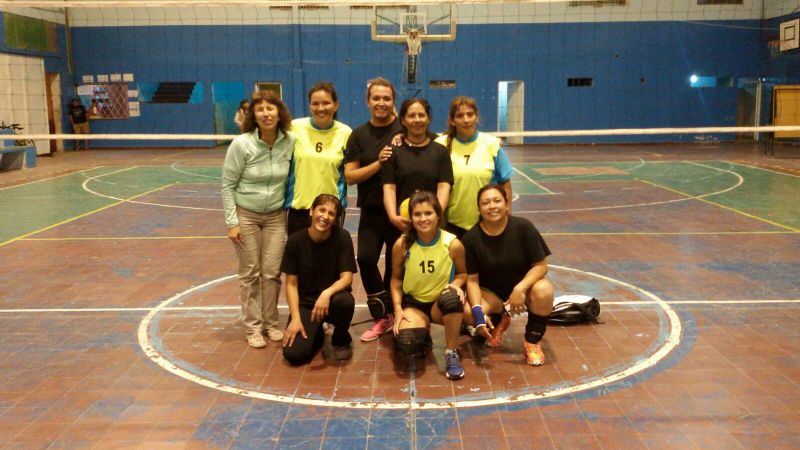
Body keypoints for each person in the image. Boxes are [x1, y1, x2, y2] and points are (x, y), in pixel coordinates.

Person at [221, 91, 295, 349]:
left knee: (272, 273)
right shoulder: (241, 144)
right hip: (247, 215)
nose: (266, 113)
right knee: (250, 273)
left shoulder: (290, 142)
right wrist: (233, 222)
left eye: (270, 108)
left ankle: (271, 324)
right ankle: (252, 327)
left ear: (279, 113)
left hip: (276, 216)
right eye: (260, 109)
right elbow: (228, 185)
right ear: (253, 115)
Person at [463, 184, 554, 366]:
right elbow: (472, 281)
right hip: (491, 294)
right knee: (468, 312)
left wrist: (520, 288)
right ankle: (498, 321)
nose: (492, 206)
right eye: (486, 203)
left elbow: (541, 266)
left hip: (522, 291)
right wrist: (478, 313)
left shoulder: (524, 228)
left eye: (497, 201)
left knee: (544, 289)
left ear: (506, 204)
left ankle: (532, 342)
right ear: (479, 208)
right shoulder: (471, 238)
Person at [344, 77, 405, 342]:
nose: (381, 103)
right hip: (371, 209)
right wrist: (378, 163)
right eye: (376, 98)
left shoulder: (405, 128)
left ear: (393, 101)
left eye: (386, 98)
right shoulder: (358, 135)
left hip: (400, 212)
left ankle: (394, 315)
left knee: (396, 265)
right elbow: (350, 176)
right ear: (368, 102)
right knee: (366, 259)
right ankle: (381, 314)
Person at [390, 191, 468, 380]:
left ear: (438, 215)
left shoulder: (452, 244)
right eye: (417, 214)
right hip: (414, 304)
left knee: (452, 298)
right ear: (411, 217)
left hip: (439, 304)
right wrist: (398, 310)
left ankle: (451, 352)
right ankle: (423, 335)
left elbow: (463, 273)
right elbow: (395, 280)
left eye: (428, 213)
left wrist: (457, 284)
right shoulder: (402, 244)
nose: (423, 219)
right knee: (407, 343)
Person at [281, 194, 357, 364]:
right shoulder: (295, 242)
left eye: (331, 213)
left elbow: (347, 279)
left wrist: (326, 294)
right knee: (294, 355)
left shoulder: (342, 237)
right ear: (311, 211)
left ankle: (341, 338)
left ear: (336, 219)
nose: (325, 216)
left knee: (345, 301)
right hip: (307, 304)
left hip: (333, 301)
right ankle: (317, 333)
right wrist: (295, 318)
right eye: (321, 210)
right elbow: (291, 284)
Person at [435, 96, 513, 240]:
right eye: (459, 116)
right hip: (450, 224)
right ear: (452, 120)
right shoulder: (440, 145)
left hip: (486, 222)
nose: (466, 120)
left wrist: (506, 215)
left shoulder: (491, 144)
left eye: (470, 115)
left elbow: (505, 183)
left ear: (476, 117)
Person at [285, 82, 352, 236]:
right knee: (299, 258)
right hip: (299, 208)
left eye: (326, 103)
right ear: (310, 106)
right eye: (315, 103)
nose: (320, 108)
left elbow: (350, 173)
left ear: (336, 105)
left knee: (328, 259)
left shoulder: (346, 133)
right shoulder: (295, 127)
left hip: (331, 211)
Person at [382, 98, 453, 233]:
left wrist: (436, 216)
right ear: (403, 120)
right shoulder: (393, 152)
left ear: (428, 119)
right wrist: (393, 217)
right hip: (402, 225)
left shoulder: (441, 151)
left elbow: (444, 187)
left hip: (433, 225)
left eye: (421, 115)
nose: (417, 120)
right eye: (411, 115)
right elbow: (389, 188)